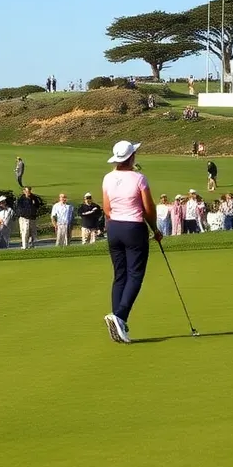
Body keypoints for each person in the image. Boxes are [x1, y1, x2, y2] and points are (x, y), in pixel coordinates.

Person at [101, 140, 160, 344]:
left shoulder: (108, 178)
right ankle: (119, 316)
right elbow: (148, 208)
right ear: (131, 157)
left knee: (120, 275)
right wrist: (155, 229)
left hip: (114, 228)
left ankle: (119, 322)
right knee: (135, 275)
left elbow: (106, 208)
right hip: (133, 227)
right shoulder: (139, 178)